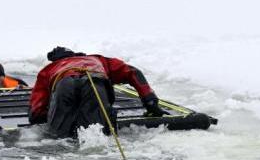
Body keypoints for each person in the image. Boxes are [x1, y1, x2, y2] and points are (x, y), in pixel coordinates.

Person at [28, 46, 167, 138]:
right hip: (94, 83)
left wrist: (43, 118)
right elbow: (134, 72)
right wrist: (150, 102)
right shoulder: (98, 60)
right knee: (97, 136)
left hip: (64, 84)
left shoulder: (50, 69)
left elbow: (37, 108)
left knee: (58, 139)